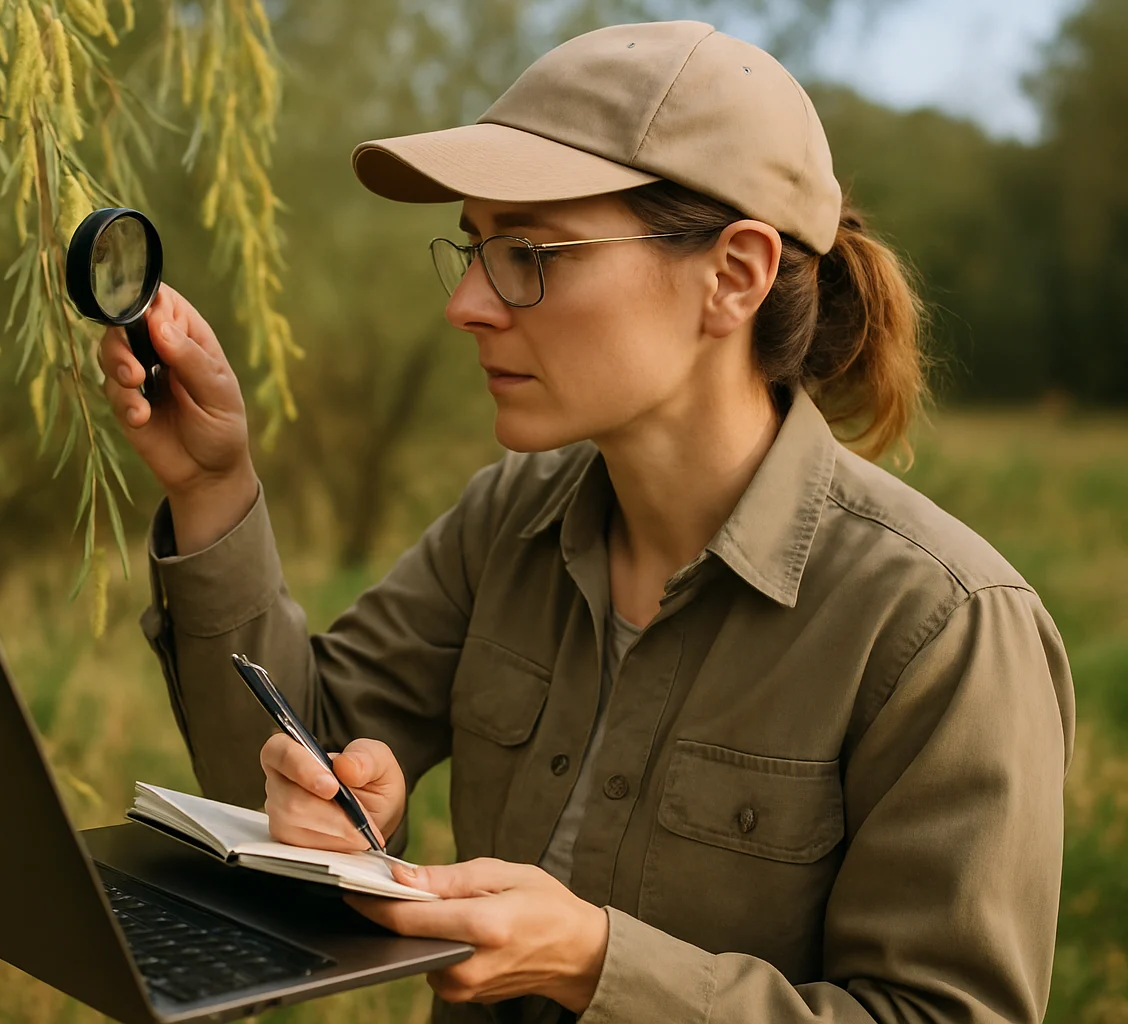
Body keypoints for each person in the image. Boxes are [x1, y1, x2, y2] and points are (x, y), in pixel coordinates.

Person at [99, 20, 1075, 1024]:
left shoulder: (941, 628)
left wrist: (597, 961)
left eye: (528, 252)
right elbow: (276, 779)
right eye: (475, 248)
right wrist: (213, 487)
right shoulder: (505, 521)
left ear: (733, 274)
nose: (469, 303)